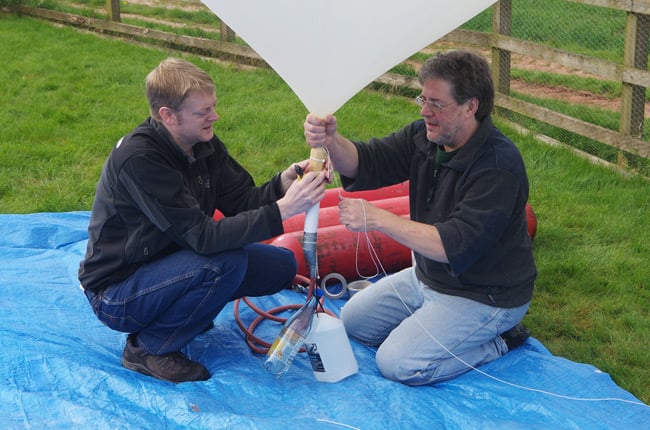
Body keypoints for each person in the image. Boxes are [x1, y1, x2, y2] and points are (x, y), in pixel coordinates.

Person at [79, 57, 327, 383]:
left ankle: (186, 309)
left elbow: (242, 201)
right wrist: (284, 210)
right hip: (118, 292)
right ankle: (148, 348)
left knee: (280, 266)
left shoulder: (202, 143)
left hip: (169, 261)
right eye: (203, 112)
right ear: (167, 115)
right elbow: (203, 238)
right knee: (225, 262)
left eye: (213, 106)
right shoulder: (140, 159)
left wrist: (287, 181)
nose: (215, 116)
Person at [303, 50, 536, 386]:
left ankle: (501, 341)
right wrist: (331, 139)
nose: (426, 111)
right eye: (423, 99)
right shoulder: (427, 136)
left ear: (471, 106)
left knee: (398, 364)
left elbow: (452, 245)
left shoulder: (497, 166)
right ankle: (431, 319)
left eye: (437, 104)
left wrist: (379, 219)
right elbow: (365, 161)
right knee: (352, 322)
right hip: (427, 278)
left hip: (485, 295)